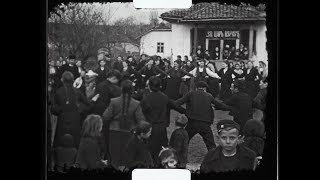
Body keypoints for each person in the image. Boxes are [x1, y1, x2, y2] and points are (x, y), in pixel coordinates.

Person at [140, 76, 186, 166]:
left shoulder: (146, 99)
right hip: (162, 128)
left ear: (149, 86)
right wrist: (186, 111)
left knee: (150, 150)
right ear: (160, 86)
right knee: (162, 150)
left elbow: (141, 112)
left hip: (150, 128)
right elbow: (176, 106)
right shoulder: (164, 97)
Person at [175, 81, 231, 152]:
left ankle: (177, 156)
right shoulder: (209, 96)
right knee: (211, 145)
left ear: (196, 88)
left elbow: (177, 103)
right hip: (205, 123)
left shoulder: (191, 94)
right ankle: (214, 159)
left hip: (192, 122)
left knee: (184, 140)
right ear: (204, 88)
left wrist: (184, 111)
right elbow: (220, 105)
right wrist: (231, 108)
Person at [103, 80, 146, 168]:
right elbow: (141, 120)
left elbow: (106, 116)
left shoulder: (114, 101)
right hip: (129, 132)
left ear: (121, 89)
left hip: (114, 131)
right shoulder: (136, 103)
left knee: (114, 156)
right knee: (127, 157)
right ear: (132, 90)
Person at [52, 71, 91, 149]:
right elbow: (87, 105)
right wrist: (79, 110)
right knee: (74, 143)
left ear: (62, 80)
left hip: (63, 120)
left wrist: (60, 110)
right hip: (75, 120)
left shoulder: (59, 91)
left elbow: (53, 108)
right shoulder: (77, 91)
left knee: (61, 144)